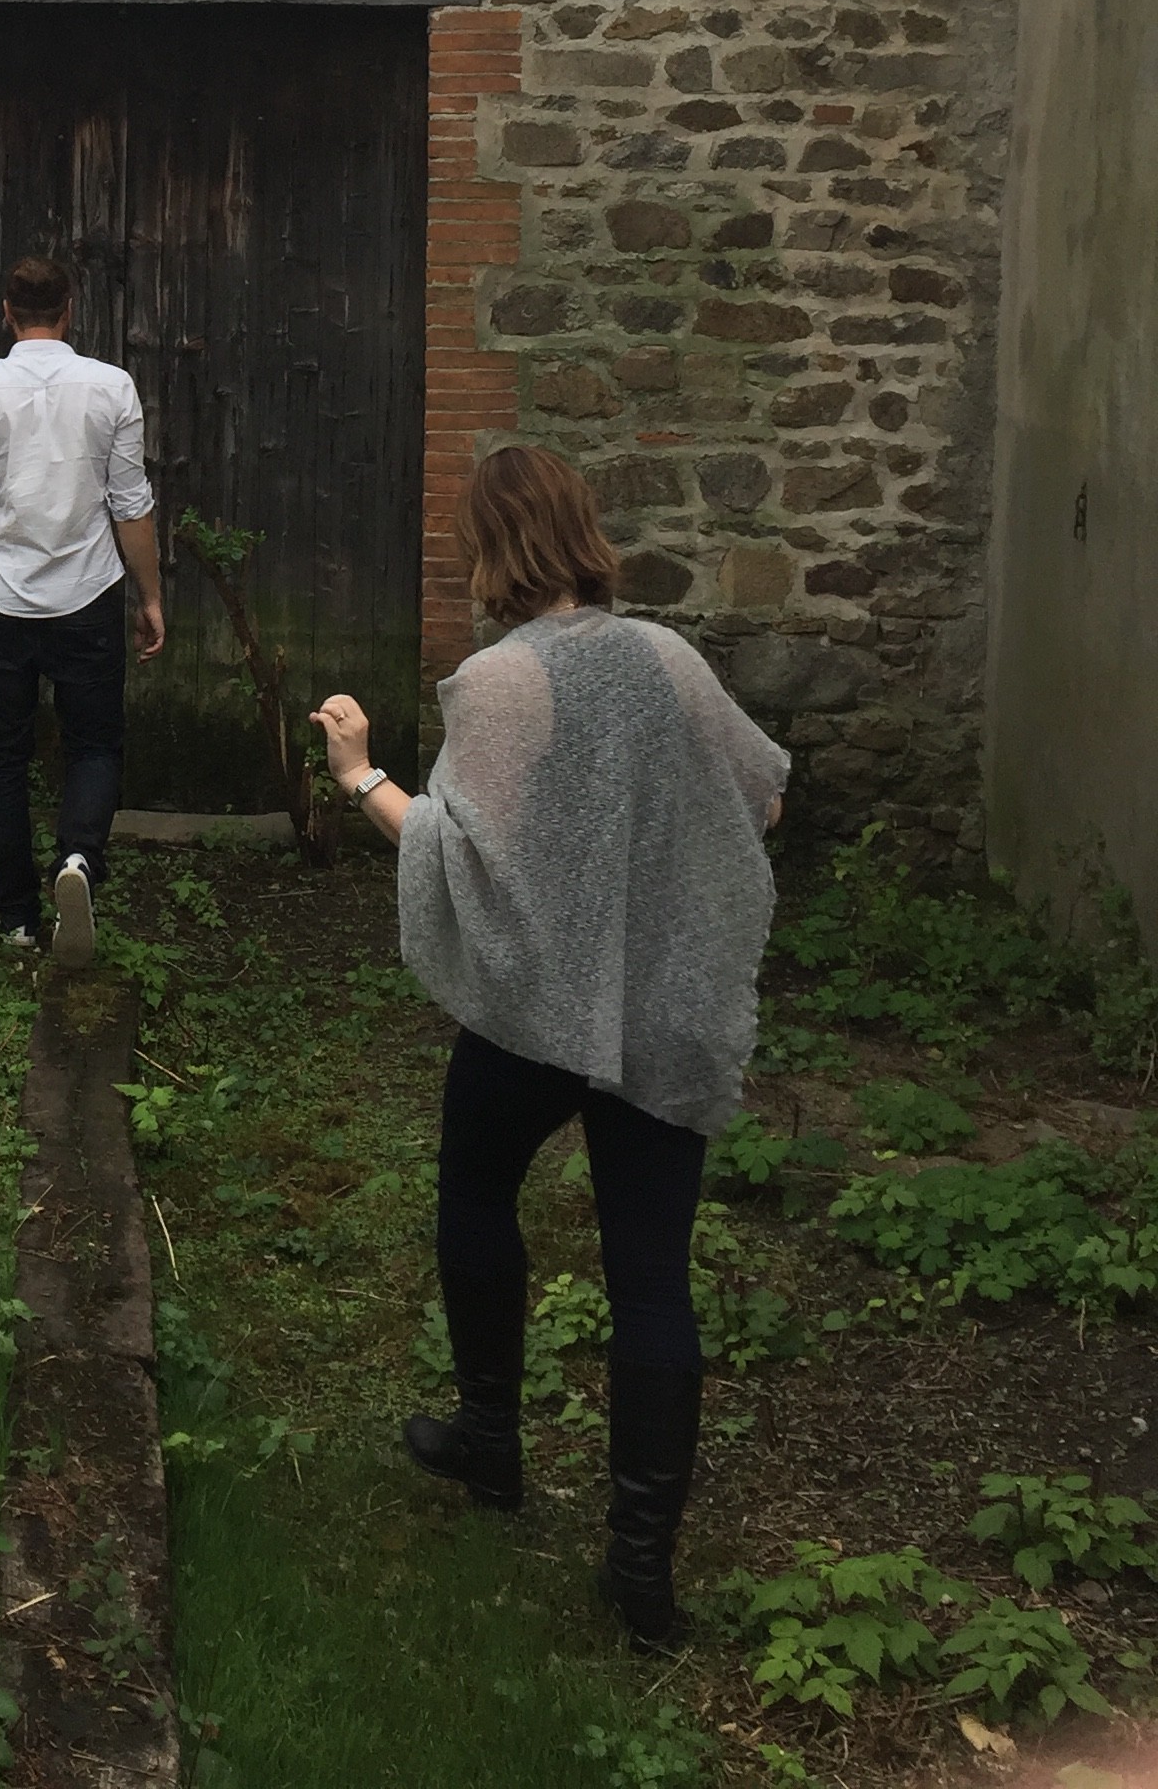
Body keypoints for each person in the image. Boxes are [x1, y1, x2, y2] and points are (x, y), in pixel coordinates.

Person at [311, 444, 788, 1650]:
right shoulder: (670, 659)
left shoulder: (499, 682)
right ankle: (642, 1575)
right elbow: (764, 799)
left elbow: (460, 851)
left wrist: (359, 773)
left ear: (491, 549)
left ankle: (491, 1444)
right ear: (581, 532)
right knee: (652, 1280)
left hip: (534, 1020)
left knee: (474, 1194)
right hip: (658, 1010)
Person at [0, 253, 167, 966]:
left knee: (3, 757)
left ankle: (18, 920)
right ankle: (78, 860)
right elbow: (130, 506)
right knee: (94, 745)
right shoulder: (112, 387)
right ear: (69, 310)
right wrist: (151, 595)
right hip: (89, 598)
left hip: (6, 602)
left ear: (7, 312)